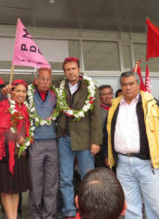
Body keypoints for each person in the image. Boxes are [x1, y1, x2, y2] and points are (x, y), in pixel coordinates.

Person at [105, 71, 159, 219]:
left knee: (155, 204)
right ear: (120, 86)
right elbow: (108, 134)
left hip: (147, 164)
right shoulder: (114, 107)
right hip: (123, 164)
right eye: (124, 84)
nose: (127, 87)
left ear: (138, 84)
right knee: (129, 206)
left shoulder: (152, 104)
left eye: (131, 84)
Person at [57, 57, 102, 218]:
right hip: (64, 139)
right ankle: (69, 211)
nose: (71, 72)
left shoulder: (90, 87)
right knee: (65, 178)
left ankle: (87, 209)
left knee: (88, 178)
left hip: (85, 139)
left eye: (73, 68)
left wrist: (96, 141)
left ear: (79, 69)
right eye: (68, 69)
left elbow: (96, 117)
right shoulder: (59, 88)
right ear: (64, 72)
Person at [0, 79, 31, 219]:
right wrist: (14, 137)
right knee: (7, 189)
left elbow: (26, 129)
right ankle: (10, 217)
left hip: (20, 153)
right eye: (18, 91)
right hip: (6, 154)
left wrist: (25, 138)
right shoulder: (3, 105)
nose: (21, 94)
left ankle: (14, 216)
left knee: (16, 189)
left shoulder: (25, 108)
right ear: (11, 92)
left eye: (23, 91)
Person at [28, 68, 58, 219]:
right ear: (36, 80)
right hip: (35, 143)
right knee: (35, 181)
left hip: (53, 142)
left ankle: (49, 214)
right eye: (42, 79)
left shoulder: (55, 95)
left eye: (48, 79)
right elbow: (12, 103)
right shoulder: (29, 95)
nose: (45, 82)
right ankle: (35, 214)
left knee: (51, 182)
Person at [95, 85, 113, 168]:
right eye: (104, 94)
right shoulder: (96, 111)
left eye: (110, 93)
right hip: (101, 149)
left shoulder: (117, 108)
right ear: (99, 97)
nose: (108, 97)